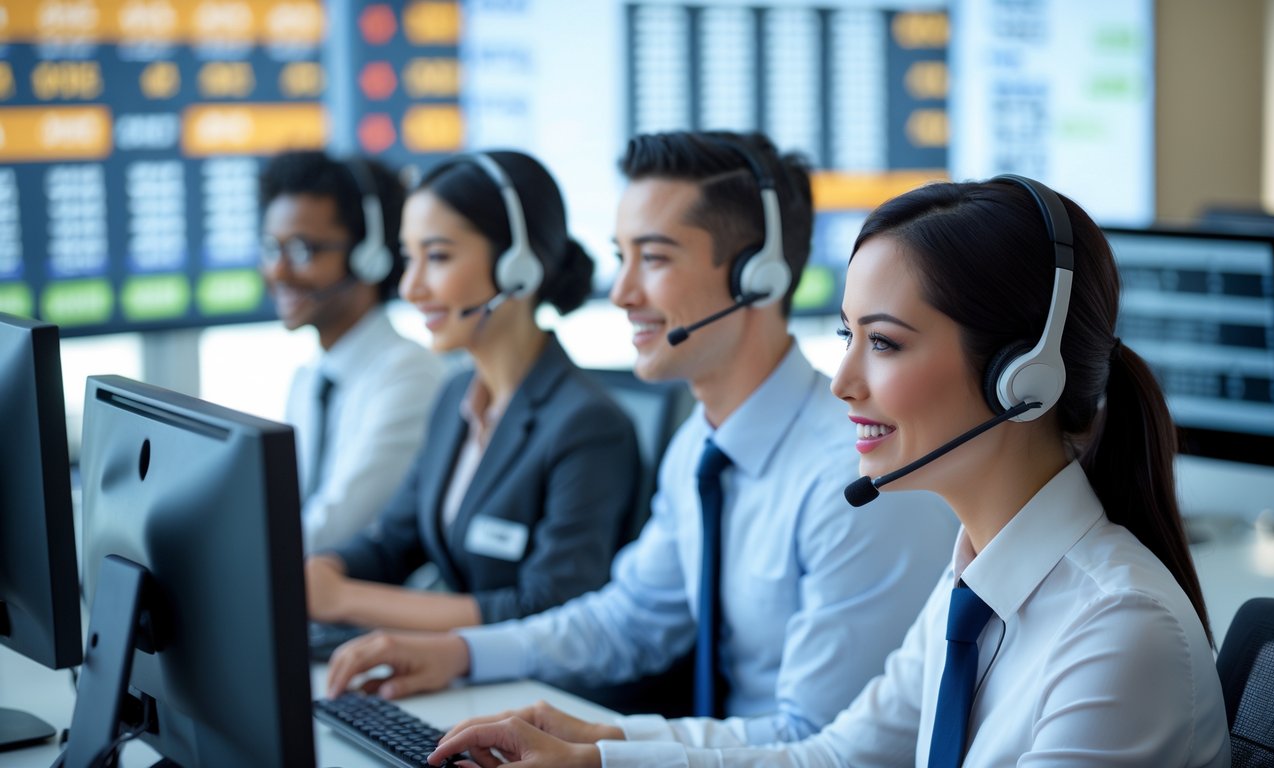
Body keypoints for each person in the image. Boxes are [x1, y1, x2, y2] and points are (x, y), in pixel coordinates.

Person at [426, 176, 1231, 767]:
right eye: (845, 335)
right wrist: (600, 751)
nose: (843, 381)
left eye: (881, 343)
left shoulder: (1117, 633)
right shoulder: (974, 585)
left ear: (1022, 377)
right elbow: (838, 756)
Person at [326, 131, 958, 740]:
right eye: (621, 256)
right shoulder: (699, 447)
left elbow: (821, 743)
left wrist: (606, 749)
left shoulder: (851, 480)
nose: (623, 292)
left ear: (756, 277)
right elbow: (630, 621)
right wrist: (459, 654)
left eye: (652, 258)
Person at [304, 150, 640, 634]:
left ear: (516, 266)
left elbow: (548, 609)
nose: (411, 286)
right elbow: (394, 543)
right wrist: (325, 569)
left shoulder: (587, 426)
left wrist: (342, 599)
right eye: (408, 259)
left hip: (541, 692)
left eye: (437, 257)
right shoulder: (455, 396)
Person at [260, 151, 446, 552]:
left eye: (302, 250)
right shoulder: (309, 379)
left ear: (369, 254)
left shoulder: (410, 375)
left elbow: (334, 528)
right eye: (272, 248)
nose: (278, 271)